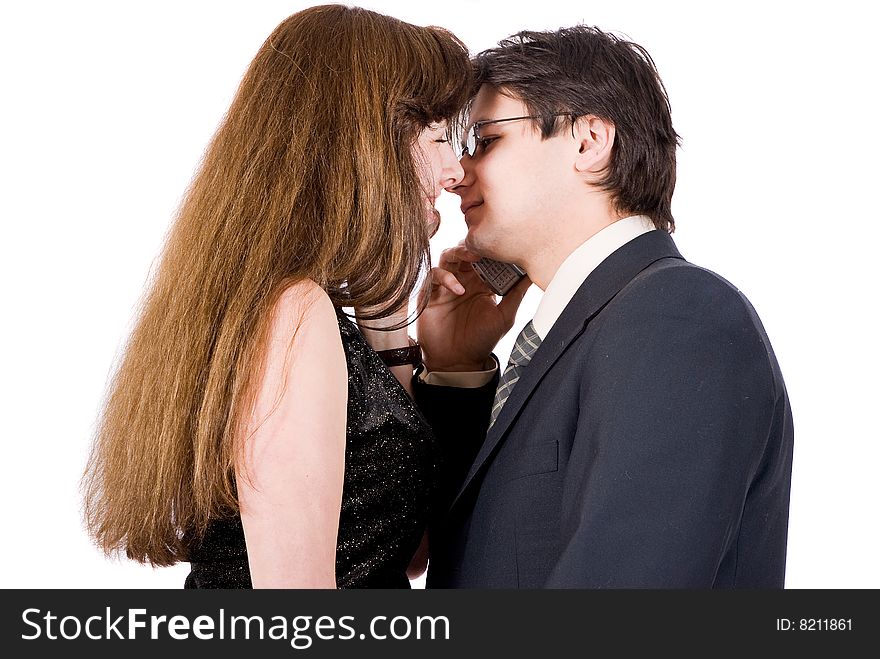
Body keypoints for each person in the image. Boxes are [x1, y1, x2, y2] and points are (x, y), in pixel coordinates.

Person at [81, 5, 470, 588]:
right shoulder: (295, 315)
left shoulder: (301, 313)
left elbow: (402, 553)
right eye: (439, 138)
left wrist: (389, 329)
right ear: (362, 144)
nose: (453, 169)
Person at [413, 26, 794, 587]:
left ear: (589, 142)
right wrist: (456, 372)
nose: (456, 175)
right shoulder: (594, 331)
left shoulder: (681, 317)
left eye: (484, 142)